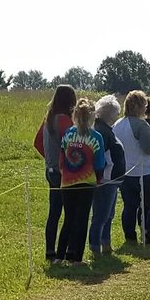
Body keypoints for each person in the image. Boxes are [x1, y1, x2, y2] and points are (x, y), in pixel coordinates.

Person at [57, 99, 105, 264]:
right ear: (93, 116)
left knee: (68, 219)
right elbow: (99, 163)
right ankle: (77, 258)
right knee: (82, 219)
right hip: (87, 181)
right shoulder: (96, 137)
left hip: (67, 181)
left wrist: (64, 173)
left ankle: (59, 256)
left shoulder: (68, 134)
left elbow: (61, 157)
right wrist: (98, 179)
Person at [113, 90, 150, 245]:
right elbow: (149, 148)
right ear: (141, 107)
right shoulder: (141, 125)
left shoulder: (117, 125)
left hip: (126, 171)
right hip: (145, 170)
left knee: (130, 205)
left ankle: (130, 236)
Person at [34, 85, 76, 261]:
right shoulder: (64, 121)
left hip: (50, 170)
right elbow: (74, 144)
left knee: (54, 213)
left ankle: (50, 252)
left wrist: (50, 158)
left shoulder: (48, 119)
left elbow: (37, 143)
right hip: (62, 172)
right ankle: (65, 252)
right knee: (71, 213)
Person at [90, 95, 125, 259]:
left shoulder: (103, 128)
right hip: (105, 179)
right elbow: (100, 156)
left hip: (111, 179)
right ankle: (96, 247)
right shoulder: (102, 131)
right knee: (101, 215)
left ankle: (105, 244)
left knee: (107, 215)